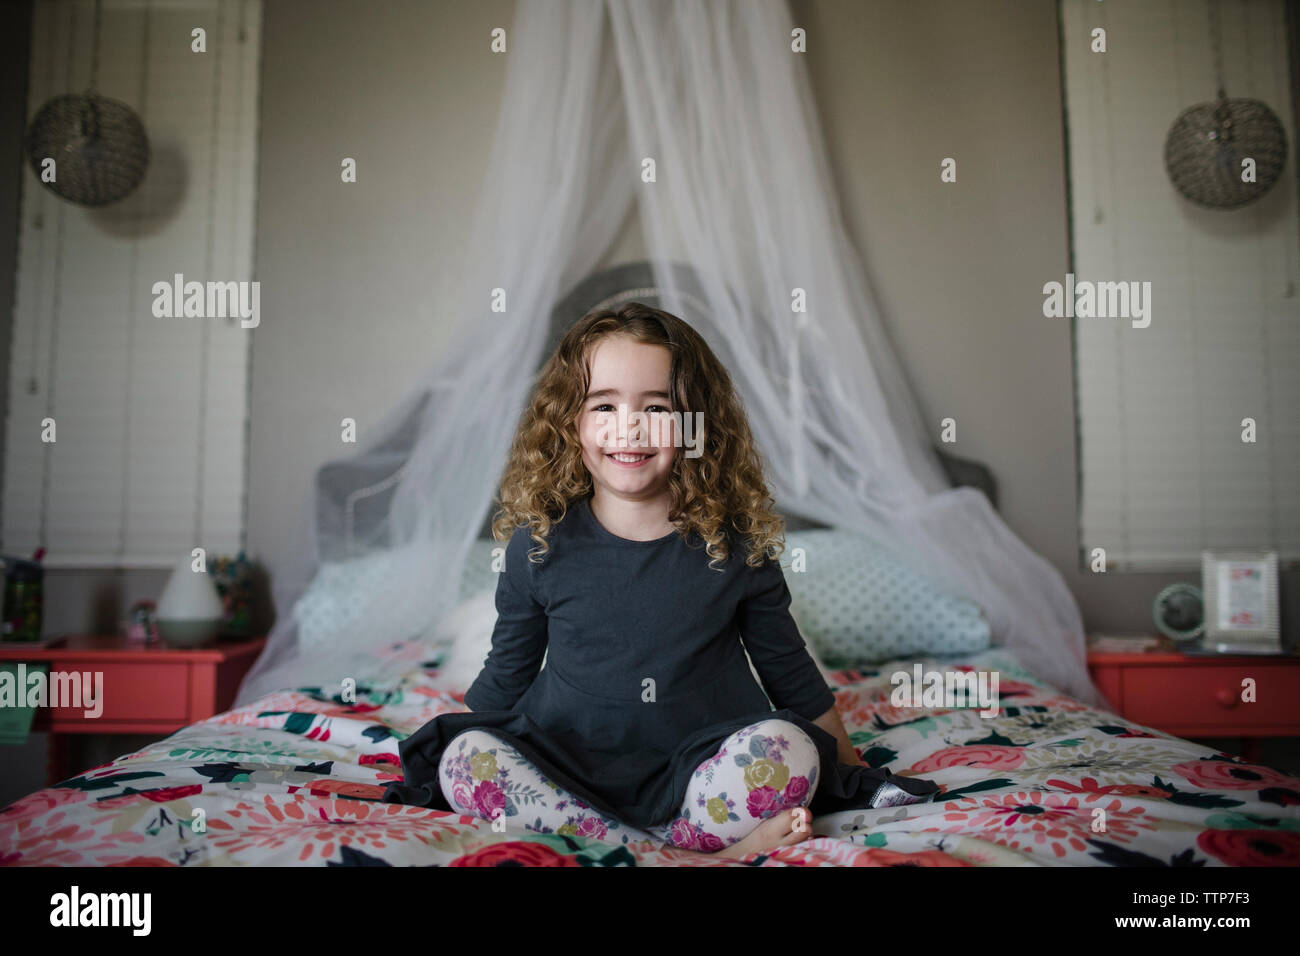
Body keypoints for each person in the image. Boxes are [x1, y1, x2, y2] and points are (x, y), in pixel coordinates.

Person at [382, 302, 939, 857]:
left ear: (697, 424)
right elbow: (506, 671)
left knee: (790, 749)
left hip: (703, 767)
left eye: (657, 406)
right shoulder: (540, 542)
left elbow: (788, 669)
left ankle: (641, 846)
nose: (629, 427)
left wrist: (848, 767)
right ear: (569, 421)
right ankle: (689, 854)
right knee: (465, 762)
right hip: (567, 759)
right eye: (603, 404)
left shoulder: (735, 543)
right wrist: (444, 754)